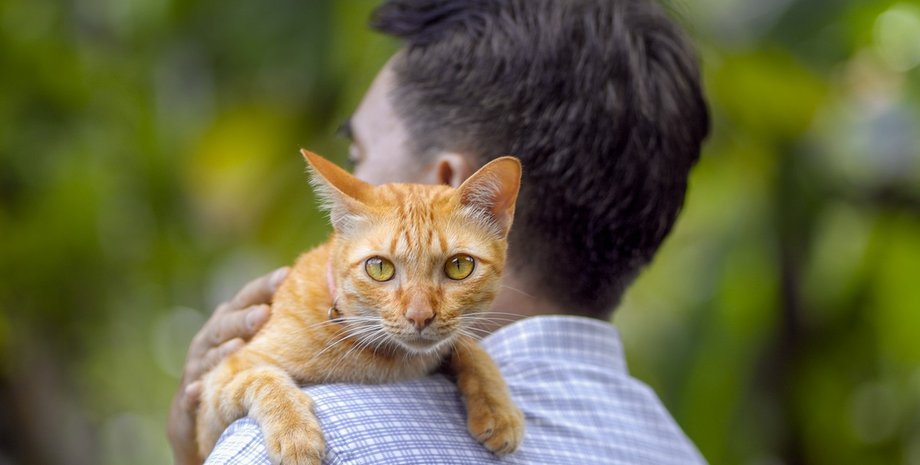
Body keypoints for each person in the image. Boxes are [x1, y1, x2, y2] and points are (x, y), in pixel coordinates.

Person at [168, 0, 710, 463]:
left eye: (358, 154)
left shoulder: (299, 441)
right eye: (382, 267)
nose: (419, 312)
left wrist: (203, 445)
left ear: (455, 190)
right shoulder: (679, 451)